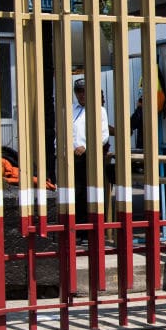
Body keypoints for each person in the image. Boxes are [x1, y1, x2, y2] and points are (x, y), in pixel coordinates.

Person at [71, 77, 110, 244]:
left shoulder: (99, 110)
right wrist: (72, 146)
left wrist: (86, 147)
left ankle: (88, 232)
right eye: (78, 91)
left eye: (84, 91)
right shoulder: (71, 109)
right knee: (76, 194)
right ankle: (78, 231)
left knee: (89, 192)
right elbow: (64, 131)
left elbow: (103, 135)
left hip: (90, 156)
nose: (81, 95)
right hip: (73, 156)